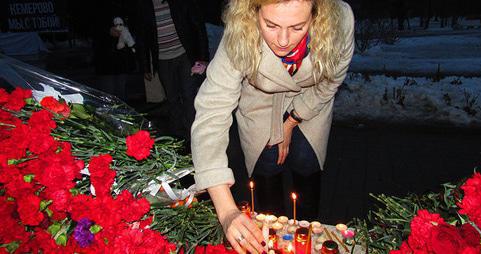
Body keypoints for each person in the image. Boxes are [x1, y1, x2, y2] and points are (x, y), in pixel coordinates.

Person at [191, 0, 355, 253]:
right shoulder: (241, 27)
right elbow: (212, 110)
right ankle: (270, 234)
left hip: (310, 98)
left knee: (306, 161)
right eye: (270, 25)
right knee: (266, 164)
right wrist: (226, 212)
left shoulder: (340, 19)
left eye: (298, 27)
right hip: (260, 102)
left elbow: (331, 81)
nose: (283, 40)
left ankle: (307, 233)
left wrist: (291, 121)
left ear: (318, 12)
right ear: (253, 11)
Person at [136, 0, 209, 143]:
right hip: (162, 59)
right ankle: (177, 137)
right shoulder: (144, 5)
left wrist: (203, 57)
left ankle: (194, 135)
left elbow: (198, 26)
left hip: (184, 55)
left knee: (189, 96)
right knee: (172, 98)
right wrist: (145, 66)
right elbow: (142, 36)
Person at [92, 0, 137, 101]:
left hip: (123, 57)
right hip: (105, 59)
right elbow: (89, 25)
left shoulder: (124, 6)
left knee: (121, 94)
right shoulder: (97, 7)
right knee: (108, 95)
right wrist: (107, 31)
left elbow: (134, 20)